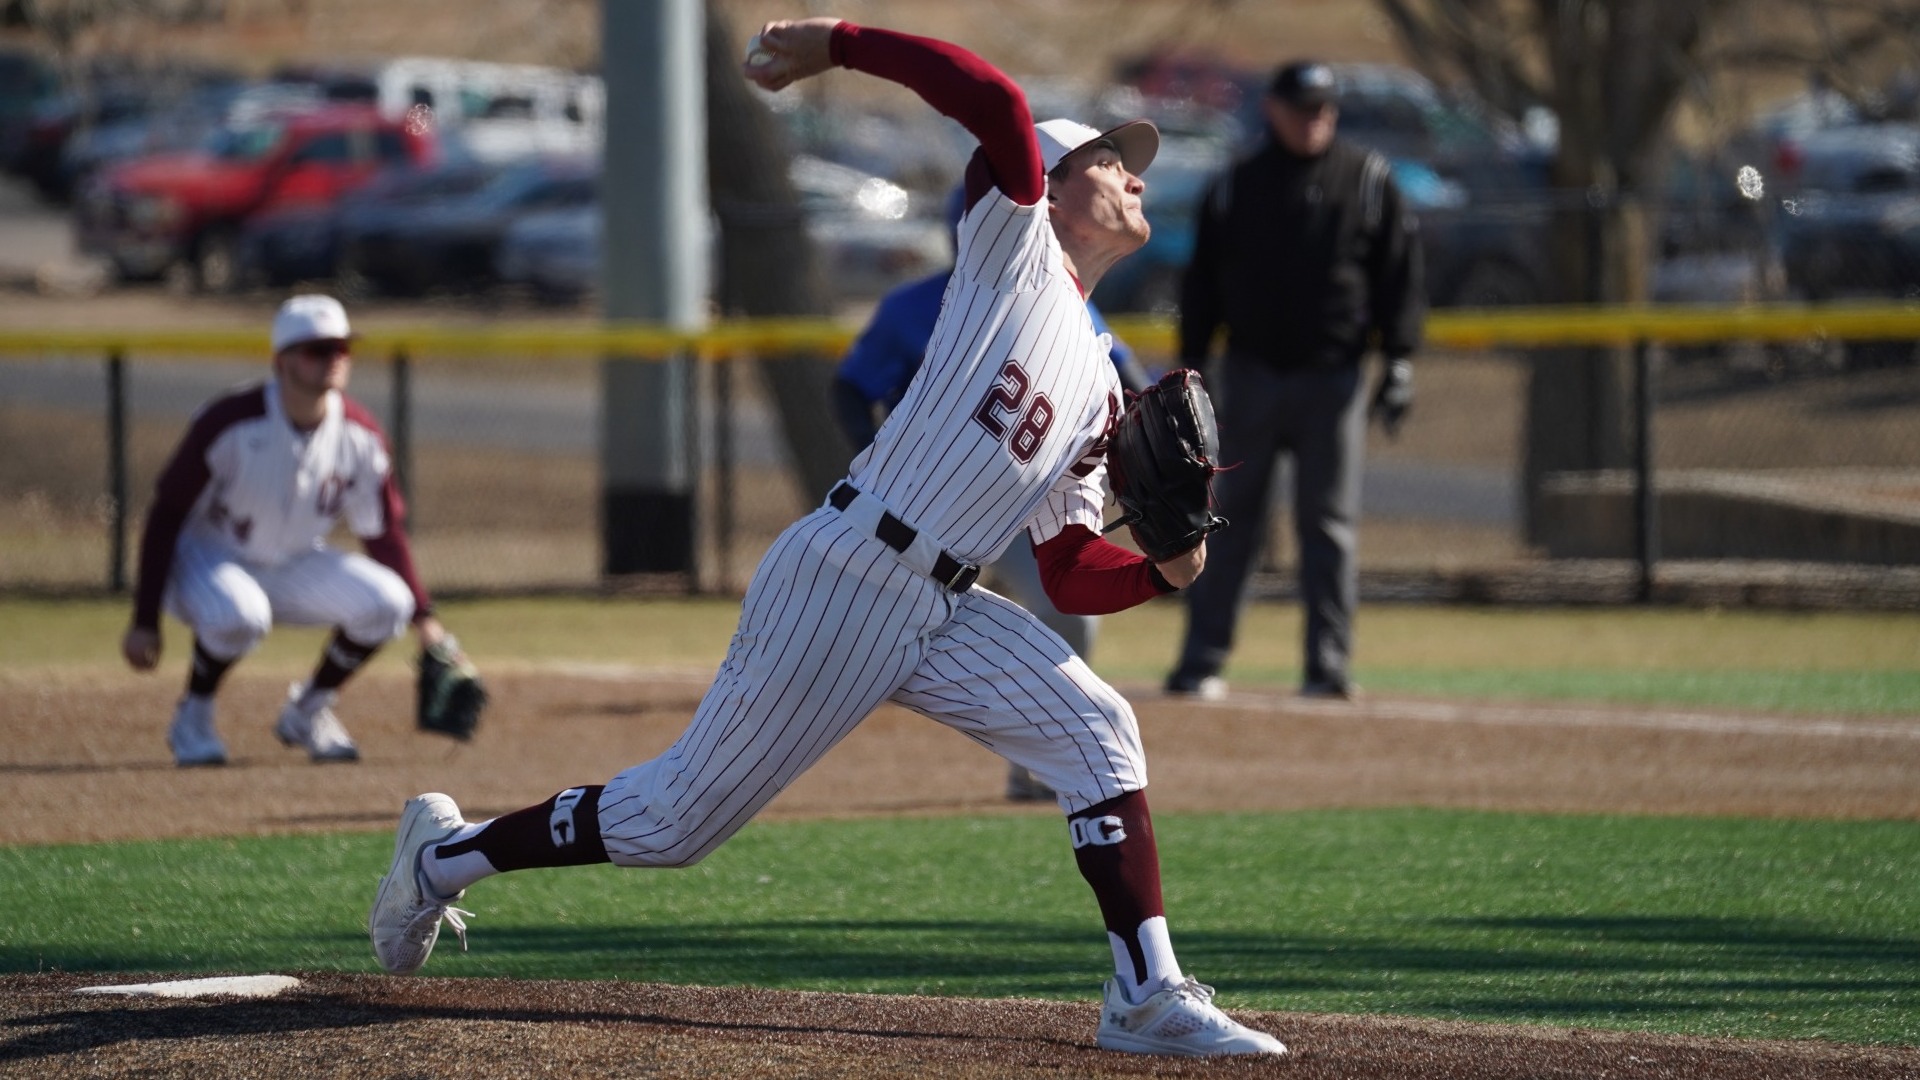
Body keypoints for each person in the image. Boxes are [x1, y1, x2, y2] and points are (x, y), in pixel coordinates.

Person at [367, 17, 1285, 1059]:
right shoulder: (1010, 246)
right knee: (671, 826)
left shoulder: (1103, 382)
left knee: (1099, 732)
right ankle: (442, 858)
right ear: (1058, 184)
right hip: (847, 574)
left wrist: (1166, 570)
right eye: (1108, 159)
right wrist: (837, 43)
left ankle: (1145, 993)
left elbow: (1069, 567)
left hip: (942, 605)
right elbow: (988, 96)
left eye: (1131, 164)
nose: (1132, 175)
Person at [831, 186, 1153, 803]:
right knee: (882, 636)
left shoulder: (1057, 302)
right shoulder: (913, 307)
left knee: (1072, 617)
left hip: (1026, 504)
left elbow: (1127, 380)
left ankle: (1038, 761)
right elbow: (849, 386)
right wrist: (872, 455)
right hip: (934, 510)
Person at [1164, 60, 1425, 702]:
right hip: (1250, 375)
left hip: (1331, 379)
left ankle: (1326, 666)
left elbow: (1399, 276)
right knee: (1227, 522)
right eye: (1304, 108)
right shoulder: (1236, 185)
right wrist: (1191, 371)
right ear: (1274, 110)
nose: (1316, 120)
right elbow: (1201, 285)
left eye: (1325, 109)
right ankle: (1203, 660)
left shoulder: (1366, 181)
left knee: (1329, 526)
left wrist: (1398, 359)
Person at [121, 294, 464, 766]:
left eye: (341, 350)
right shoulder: (230, 423)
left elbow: (382, 533)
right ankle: (194, 713)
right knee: (239, 615)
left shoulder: (361, 435)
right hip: (209, 556)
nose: (332, 361)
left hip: (295, 559)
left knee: (390, 603)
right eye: (316, 351)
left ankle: (308, 711)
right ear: (281, 361)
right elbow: (166, 514)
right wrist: (145, 620)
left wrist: (428, 625)